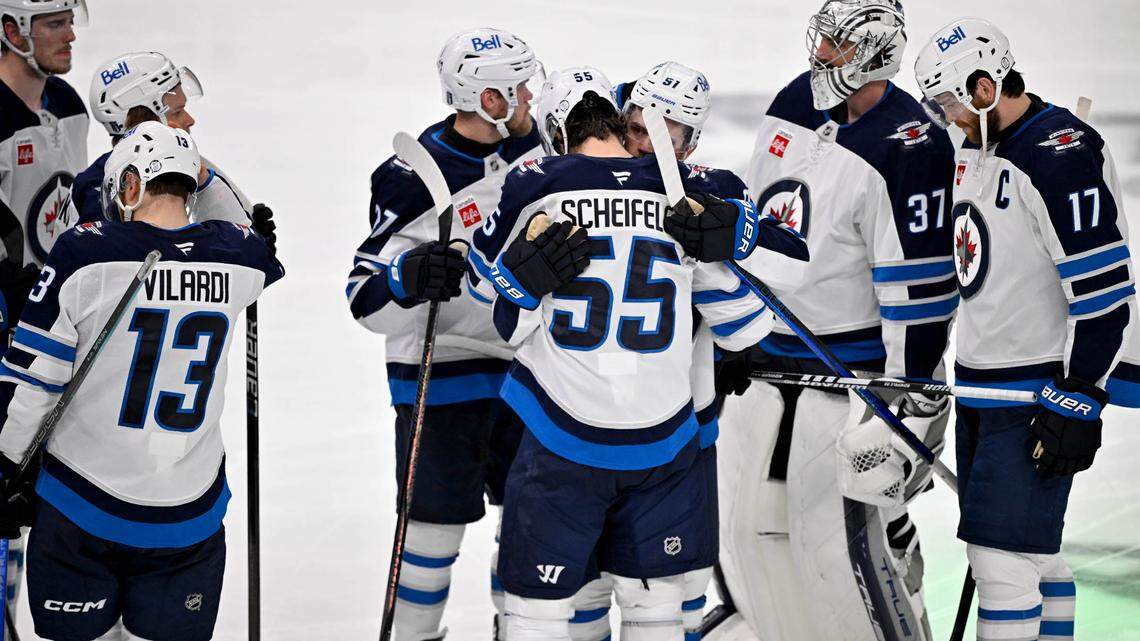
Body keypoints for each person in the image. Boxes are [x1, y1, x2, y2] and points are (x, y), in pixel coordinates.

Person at [470, 66, 775, 641]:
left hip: (563, 438)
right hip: (667, 440)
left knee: (536, 609)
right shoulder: (685, 194)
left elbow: (496, 308)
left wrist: (518, 285)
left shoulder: (537, 181)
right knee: (660, 609)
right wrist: (734, 237)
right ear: (618, 118)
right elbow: (747, 326)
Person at [710, 2, 957, 640]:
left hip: (847, 378)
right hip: (765, 365)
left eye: (837, 48)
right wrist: (735, 327)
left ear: (876, 51)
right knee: (748, 538)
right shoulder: (796, 100)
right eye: (821, 43)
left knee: (839, 552)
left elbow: (921, 293)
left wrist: (908, 402)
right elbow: (757, 215)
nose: (820, 56)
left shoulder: (913, 144)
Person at [0, 121, 282, 641]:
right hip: (188, 512)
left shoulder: (81, 255)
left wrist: (8, 467)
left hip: (81, 505)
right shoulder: (243, 260)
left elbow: (36, 381)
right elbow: (250, 232)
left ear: (129, 185)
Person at [568, 61, 807, 641]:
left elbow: (796, 262)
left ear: (691, 141)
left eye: (665, 133)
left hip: (682, 430)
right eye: (637, 126)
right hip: (582, 420)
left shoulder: (713, 190)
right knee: (585, 587)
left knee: (679, 587)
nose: (645, 143)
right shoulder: (578, 183)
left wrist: (735, 231)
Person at [915, 18, 1134, 641]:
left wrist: (1081, 398)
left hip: (1034, 394)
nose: (945, 118)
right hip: (983, 387)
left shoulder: (1058, 156)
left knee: (1000, 561)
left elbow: (1106, 299)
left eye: (951, 104)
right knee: (1033, 556)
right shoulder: (976, 148)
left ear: (985, 88)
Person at [345, 27, 543, 640]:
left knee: (533, 532)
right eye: (519, 86)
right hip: (443, 374)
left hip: (531, 371)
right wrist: (408, 277)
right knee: (430, 533)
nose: (531, 96)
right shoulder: (412, 176)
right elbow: (363, 296)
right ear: (490, 100)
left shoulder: (543, 149)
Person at [0, 0, 88, 617]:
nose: (69, 33)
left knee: (34, 497)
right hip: (7, 334)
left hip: (58, 332)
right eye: (53, 22)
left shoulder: (71, 105)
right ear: (11, 30)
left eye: (69, 19)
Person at [75, 50, 253, 226]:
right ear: (140, 121)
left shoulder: (182, 163)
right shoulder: (97, 193)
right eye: (177, 111)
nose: (190, 120)